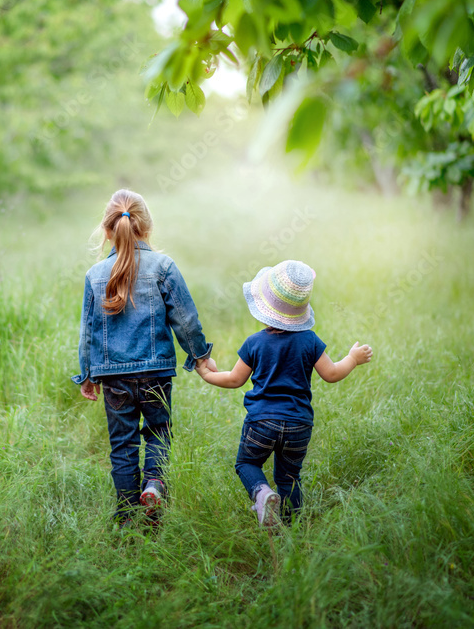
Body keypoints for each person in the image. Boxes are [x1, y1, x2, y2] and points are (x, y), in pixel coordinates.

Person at [73, 189, 213, 526]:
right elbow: (186, 319)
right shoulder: (163, 267)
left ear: (107, 230)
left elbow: (88, 331)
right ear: (146, 227)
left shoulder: (95, 275)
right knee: (158, 432)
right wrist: (199, 356)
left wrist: (87, 374)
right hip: (156, 372)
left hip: (114, 377)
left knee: (122, 446)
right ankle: (154, 487)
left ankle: (126, 518)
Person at [195, 260, 372, 527]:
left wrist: (207, 374)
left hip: (261, 422)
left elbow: (234, 379)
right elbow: (332, 373)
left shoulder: (254, 343)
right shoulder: (310, 340)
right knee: (289, 478)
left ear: (265, 307)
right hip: (299, 424)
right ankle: (291, 529)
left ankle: (262, 494)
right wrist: (353, 358)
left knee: (246, 464)